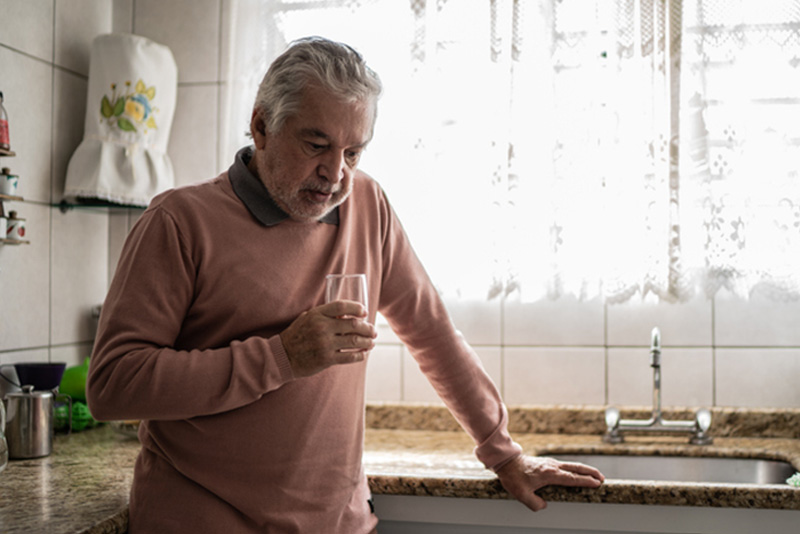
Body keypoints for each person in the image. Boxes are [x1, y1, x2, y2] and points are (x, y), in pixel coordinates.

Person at [87, 36, 604, 533]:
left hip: (339, 525)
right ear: (261, 126)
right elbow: (111, 386)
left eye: (354, 153)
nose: (335, 174)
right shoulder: (178, 222)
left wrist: (503, 452)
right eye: (317, 144)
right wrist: (281, 356)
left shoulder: (367, 206)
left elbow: (431, 330)